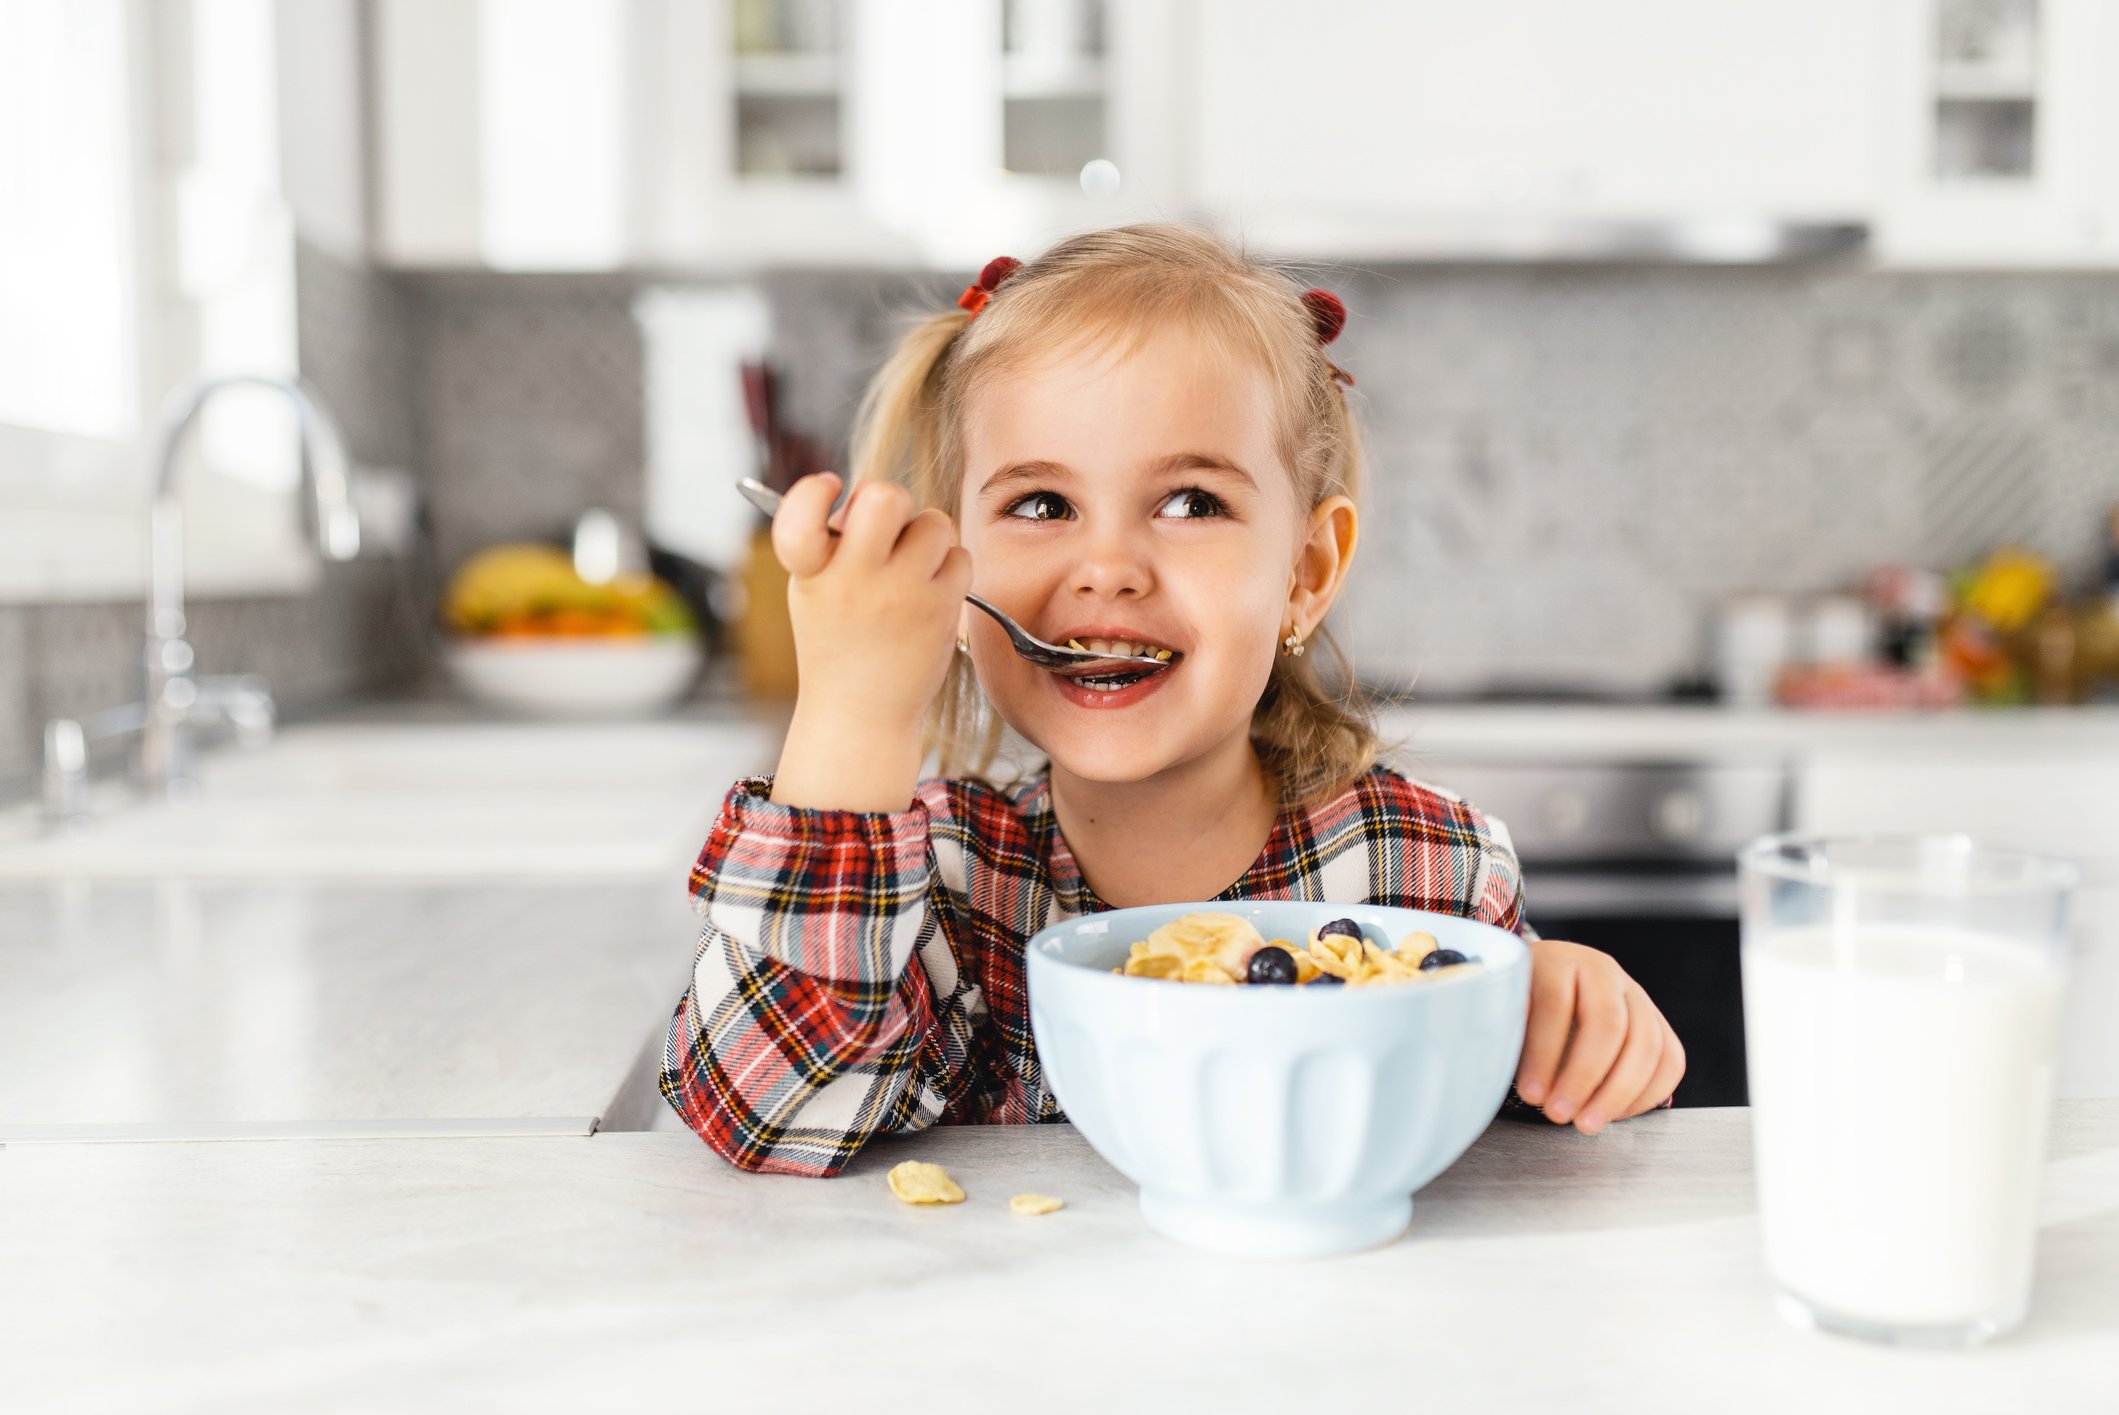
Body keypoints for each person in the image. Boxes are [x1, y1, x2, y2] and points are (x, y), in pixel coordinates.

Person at [661, 224, 1683, 1176]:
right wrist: (852, 712)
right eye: (1041, 503)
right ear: (952, 575)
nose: (1107, 567)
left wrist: (1564, 1021)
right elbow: (769, 1109)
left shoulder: (1424, 872)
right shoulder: (935, 886)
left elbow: (1526, 1140)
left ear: (1305, 568)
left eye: (1190, 502)